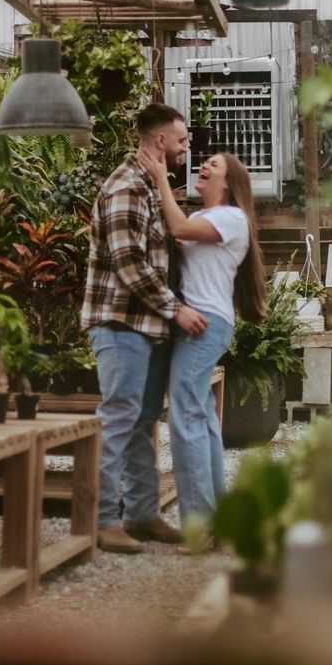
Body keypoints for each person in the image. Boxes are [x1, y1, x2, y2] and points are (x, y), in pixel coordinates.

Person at [81, 103, 208, 554]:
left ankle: (141, 514)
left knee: (140, 423)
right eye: (181, 139)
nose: (185, 146)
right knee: (118, 421)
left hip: (145, 327)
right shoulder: (125, 186)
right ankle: (101, 521)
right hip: (120, 325)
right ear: (159, 140)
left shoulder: (151, 187)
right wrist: (176, 310)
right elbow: (129, 262)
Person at [136, 146, 266, 545]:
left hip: (205, 324)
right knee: (203, 419)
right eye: (205, 161)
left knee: (186, 418)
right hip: (202, 324)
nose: (204, 165)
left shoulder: (232, 218)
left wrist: (160, 176)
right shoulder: (203, 216)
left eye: (214, 165)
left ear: (230, 183)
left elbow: (177, 229)